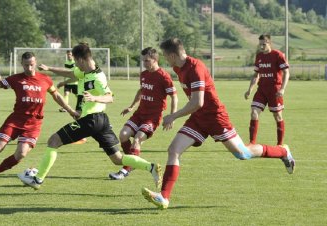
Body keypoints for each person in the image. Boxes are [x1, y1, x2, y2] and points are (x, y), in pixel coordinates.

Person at [141, 38, 295, 210]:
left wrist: (173, 116)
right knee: (173, 150)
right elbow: (196, 105)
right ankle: (164, 197)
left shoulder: (196, 68)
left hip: (215, 117)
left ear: (172, 55)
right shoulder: (178, 67)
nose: (165, 60)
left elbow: (197, 102)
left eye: (165, 56)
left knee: (243, 153)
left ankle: (282, 151)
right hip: (198, 119)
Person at [18, 43, 162, 190]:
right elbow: (70, 74)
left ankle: (38, 179)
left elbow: (110, 97)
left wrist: (95, 98)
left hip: (91, 120)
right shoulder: (85, 72)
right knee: (117, 159)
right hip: (101, 121)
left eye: (75, 61)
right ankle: (150, 167)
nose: (75, 65)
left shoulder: (98, 77)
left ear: (80, 60)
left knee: (53, 140)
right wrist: (50, 69)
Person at [0, 52, 78, 179]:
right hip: (16, 120)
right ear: (22, 64)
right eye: (26, 65)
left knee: (21, 153)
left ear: (35, 63)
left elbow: (57, 96)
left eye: (31, 65)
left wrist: (71, 111)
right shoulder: (15, 79)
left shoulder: (45, 79)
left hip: (34, 123)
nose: (29, 68)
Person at [109, 47, 178, 180]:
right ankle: (133, 161)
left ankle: (126, 169)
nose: (144, 63)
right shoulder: (144, 74)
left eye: (147, 60)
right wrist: (131, 107)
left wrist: (172, 116)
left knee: (137, 139)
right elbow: (141, 91)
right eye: (143, 61)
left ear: (155, 59)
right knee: (123, 135)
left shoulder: (164, 76)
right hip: (139, 114)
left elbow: (174, 96)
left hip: (152, 117)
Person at [244, 34, 290, 145]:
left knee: (277, 116)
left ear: (269, 43)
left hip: (275, 90)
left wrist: (282, 89)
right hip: (262, 90)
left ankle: (280, 144)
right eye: (260, 44)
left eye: (264, 44)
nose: (261, 47)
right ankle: (252, 143)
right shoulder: (259, 56)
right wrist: (250, 89)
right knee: (254, 112)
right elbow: (256, 75)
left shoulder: (277, 55)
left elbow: (286, 72)